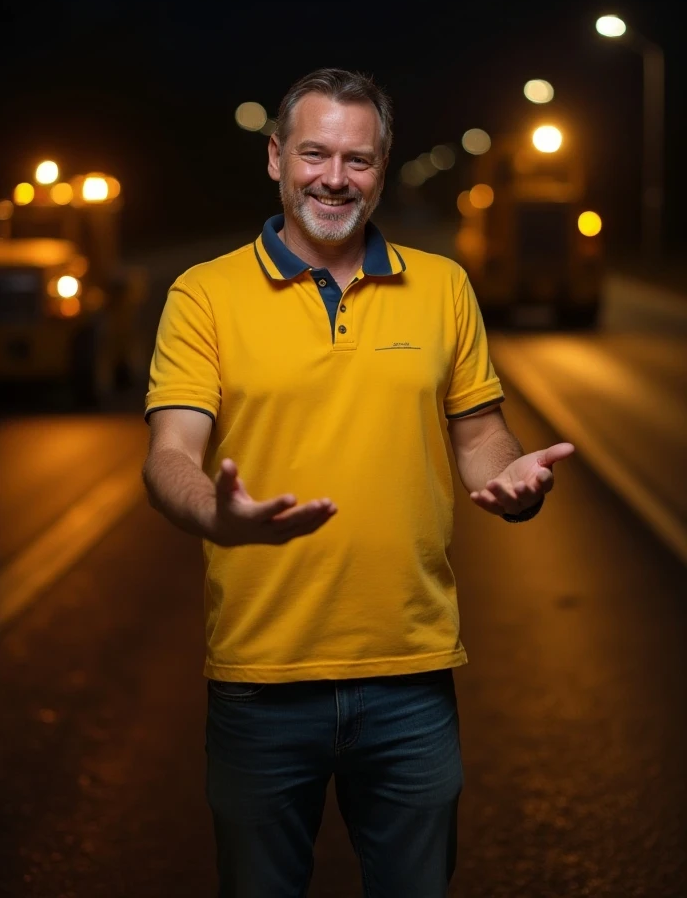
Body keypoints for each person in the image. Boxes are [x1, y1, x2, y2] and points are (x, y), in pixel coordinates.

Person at [142, 67, 574, 898]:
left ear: (382, 167)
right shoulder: (203, 293)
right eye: (313, 154)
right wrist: (215, 514)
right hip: (260, 678)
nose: (334, 178)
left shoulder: (443, 285)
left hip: (411, 677)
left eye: (358, 159)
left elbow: (480, 435)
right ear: (275, 158)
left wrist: (511, 478)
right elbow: (171, 454)